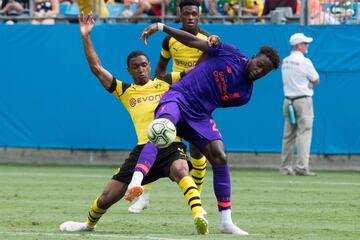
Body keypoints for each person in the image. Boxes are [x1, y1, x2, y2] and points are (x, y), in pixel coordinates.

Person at [59, 12, 209, 235]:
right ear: (129, 70)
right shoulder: (125, 91)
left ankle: (199, 216)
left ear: (149, 66)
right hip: (142, 151)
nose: (141, 69)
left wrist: (209, 46)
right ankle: (88, 225)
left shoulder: (165, 82)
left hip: (170, 146)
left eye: (144, 65)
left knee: (181, 169)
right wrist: (85, 36)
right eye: (136, 66)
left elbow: (196, 70)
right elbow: (97, 69)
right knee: (107, 197)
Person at [126, 22, 280, 235]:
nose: (259, 71)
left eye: (264, 71)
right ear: (253, 57)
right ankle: (136, 182)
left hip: (199, 115)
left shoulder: (244, 95)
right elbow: (192, 40)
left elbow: (213, 101)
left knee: (219, 156)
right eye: (259, 64)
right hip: (179, 96)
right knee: (163, 127)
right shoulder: (231, 53)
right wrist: (162, 27)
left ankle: (225, 221)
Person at [129, 0, 213, 214]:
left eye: (194, 13)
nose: (191, 17)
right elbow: (159, 70)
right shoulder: (170, 40)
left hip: (197, 101)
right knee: (158, 139)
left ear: (199, 15)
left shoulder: (206, 39)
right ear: (180, 15)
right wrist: (167, 80)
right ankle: (143, 195)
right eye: (187, 13)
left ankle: (197, 195)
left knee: (197, 146)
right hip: (174, 97)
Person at [280, 33, 320, 176]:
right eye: (305, 43)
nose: (307, 46)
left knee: (288, 136)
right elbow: (316, 79)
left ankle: (286, 168)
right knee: (304, 134)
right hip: (302, 101)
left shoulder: (285, 61)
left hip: (288, 101)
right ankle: (301, 167)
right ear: (298, 45)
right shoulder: (305, 62)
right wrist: (309, 82)